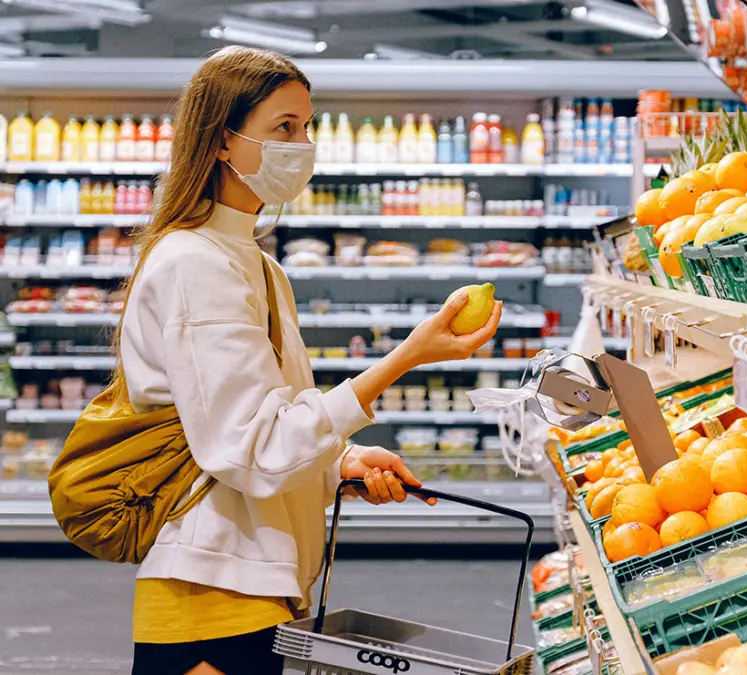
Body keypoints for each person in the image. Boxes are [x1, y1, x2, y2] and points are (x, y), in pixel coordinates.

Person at [120, 46, 502, 675]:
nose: (303, 145)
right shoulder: (196, 264)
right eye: (284, 128)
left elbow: (257, 428)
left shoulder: (255, 263)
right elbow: (251, 447)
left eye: (307, 126)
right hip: (213, 592)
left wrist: (336, 463)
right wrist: (404, 358)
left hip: (256, 583)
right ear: (221, 140)